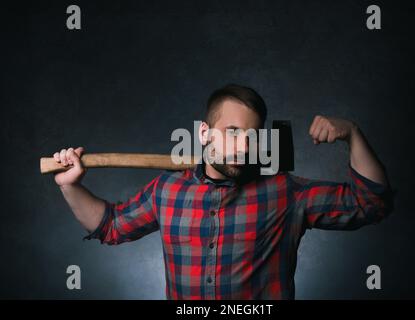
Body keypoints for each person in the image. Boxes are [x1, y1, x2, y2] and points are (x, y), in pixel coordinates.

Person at [53, 84, 393, 299]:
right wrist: (71, 186)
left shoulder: (285, 193)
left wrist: (352, 133)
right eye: (232, 131)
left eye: (251, 135)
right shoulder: (168, 190)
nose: (243, 145)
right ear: (204, 134)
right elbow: (109, 226)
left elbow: (371, 202)